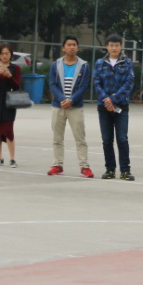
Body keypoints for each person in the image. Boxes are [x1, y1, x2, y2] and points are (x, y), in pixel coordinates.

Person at [48, 36, 93, 178]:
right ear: (63, 48)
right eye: (69, 45)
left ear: (77, 48)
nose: (72, 47)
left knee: (80, 138)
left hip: (76, 107)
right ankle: (57, 164)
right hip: (58, 106)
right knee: (57, 138)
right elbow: (52, 84)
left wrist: (72, 99)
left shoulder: (84, 66)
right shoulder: (56, 64)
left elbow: (84, 85)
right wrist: (62, 99)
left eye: (74, 45)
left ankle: (84, 166)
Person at [94, 34, 135, 181]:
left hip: (121, 106)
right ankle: (110, 169)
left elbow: (129, 83)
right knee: (106, 140)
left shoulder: (127, 63)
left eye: (117, 45)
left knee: (122, 139)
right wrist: (106, 100)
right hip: (104, 107)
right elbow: (96, 83)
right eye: (111, 45)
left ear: (121, 46)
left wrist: (113, 99)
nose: (114, 48)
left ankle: (125, 170)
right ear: (107, 47)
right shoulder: (100, 63)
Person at [0, 43, 23, 167]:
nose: (5, 56)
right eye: (2, 54)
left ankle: (12, 158)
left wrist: (9, 76)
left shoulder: (15, 68)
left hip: (9, 102)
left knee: (8, 130)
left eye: (7, 53)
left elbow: (17, 85)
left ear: (11, 55)